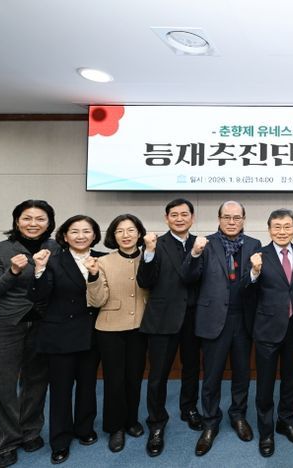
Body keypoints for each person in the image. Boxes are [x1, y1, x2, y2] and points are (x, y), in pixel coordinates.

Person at [0, 199, 58, 468]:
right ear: (16, 221)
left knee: (36, 381)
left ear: (49, 223)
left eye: (40, 219)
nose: (33, 223)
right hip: (4, 324)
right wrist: (13, 271)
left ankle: (30, 431)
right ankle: (5, 441)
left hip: (43, 323)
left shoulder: (56, 248)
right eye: (27, 218)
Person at [182, 200, 261, 456]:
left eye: (236, 217)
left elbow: (255, 285)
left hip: (243, 319)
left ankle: (238, 415)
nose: (231, 222)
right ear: (219, 219)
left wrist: (255, 273)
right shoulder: (205, 244)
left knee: (242, 373)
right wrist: (195, 253)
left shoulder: (254, 245)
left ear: (243, 220)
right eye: (227, 217)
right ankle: (210, 422)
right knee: (212, 375)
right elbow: (188, 277)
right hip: (213, 319)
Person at [32, 215, 105, 464]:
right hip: (60, 334)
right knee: (61, 390)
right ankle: (60, 440)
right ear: (65, 236)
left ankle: (84, 428)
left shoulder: (104, 259)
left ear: (95, 235)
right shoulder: (51, 260)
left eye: (86, 231)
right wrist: (39, 270)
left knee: (87, 385)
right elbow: (38, 296)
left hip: (93, 332)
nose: (81, 236)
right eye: (74, 231)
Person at [246, 209, 293, 458]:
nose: (282, 231)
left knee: (291, 379)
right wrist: (254, 272)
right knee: (265, 384)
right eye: (277, 227)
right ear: (269, 230)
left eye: (287, 227)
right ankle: (266, 431)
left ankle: (286, 422)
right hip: (267, 328)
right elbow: (247, 290)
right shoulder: (259, 256)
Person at [137, 198, 202, 457]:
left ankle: (189, 408)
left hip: (194, 318)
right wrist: (148, 252)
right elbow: (145, 281)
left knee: (192, 369)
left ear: (192, 218)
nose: (179, 218)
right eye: (174, 214)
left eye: (184, 214)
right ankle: (156, 422)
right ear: (166, 218)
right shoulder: (156, 244)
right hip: (163, 318)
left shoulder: (202, 244)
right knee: (158, 375)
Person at [85, 214, 149, 453]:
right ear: (113, 235)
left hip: (141, 327)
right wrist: (93, 275)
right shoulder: (102, 261)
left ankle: (131, 420)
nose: (126, 235)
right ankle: (115, 427)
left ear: (139, 233)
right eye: (120, 231)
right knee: (114, 380)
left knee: (134, 377)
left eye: (131, 230)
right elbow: (96, 300)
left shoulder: (150, 258)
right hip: (110, 328)